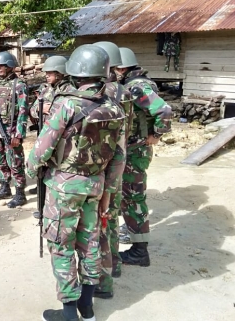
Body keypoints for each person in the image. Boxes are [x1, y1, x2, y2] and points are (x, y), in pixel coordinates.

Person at [26, 44, 126, 321]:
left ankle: (69, 313)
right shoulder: (113, 107)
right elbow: (119, 156)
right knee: (90, 243)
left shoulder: (67, 104)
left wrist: (31, 170)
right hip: (95, 185)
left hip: (64, 187)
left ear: (74, 73)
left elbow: (43, 147)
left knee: (61, 245)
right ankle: (88, 307)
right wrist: (108, 189)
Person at [114, 46, 172, 267]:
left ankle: (140, 252)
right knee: (127, 196)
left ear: (122, 67)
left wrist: (156, 134)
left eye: (115, 68)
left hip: (135, 150)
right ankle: (132, 232)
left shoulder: (137, 86)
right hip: (131, 150)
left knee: (133, 198)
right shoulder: (130, 84)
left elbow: (164, 110)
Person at [91, 41, 134, 299]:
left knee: (99, 223)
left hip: (99, 165)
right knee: (111, 216)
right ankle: (114, 265)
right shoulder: (124, 92)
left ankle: (102, 280)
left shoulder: (99, 93)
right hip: (118, 161)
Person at [0, 51, 29, 209]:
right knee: (0, 160)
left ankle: (20, 193)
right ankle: (4, 187)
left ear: (10, 66)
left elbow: (23, 111)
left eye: (2, 65)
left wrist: (19, 134)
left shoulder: (19, 85)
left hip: (12, 131)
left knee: (15, 162)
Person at [28, 55, 76, 196]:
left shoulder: (71, 90)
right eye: (46, 73)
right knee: (43, 165)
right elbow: (32, 110)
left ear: (60, 73)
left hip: (63, 137)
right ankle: (41, 190)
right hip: (46, 134)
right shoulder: (45, 90)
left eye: (50, 73)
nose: (47, 76)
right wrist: (40, 109)